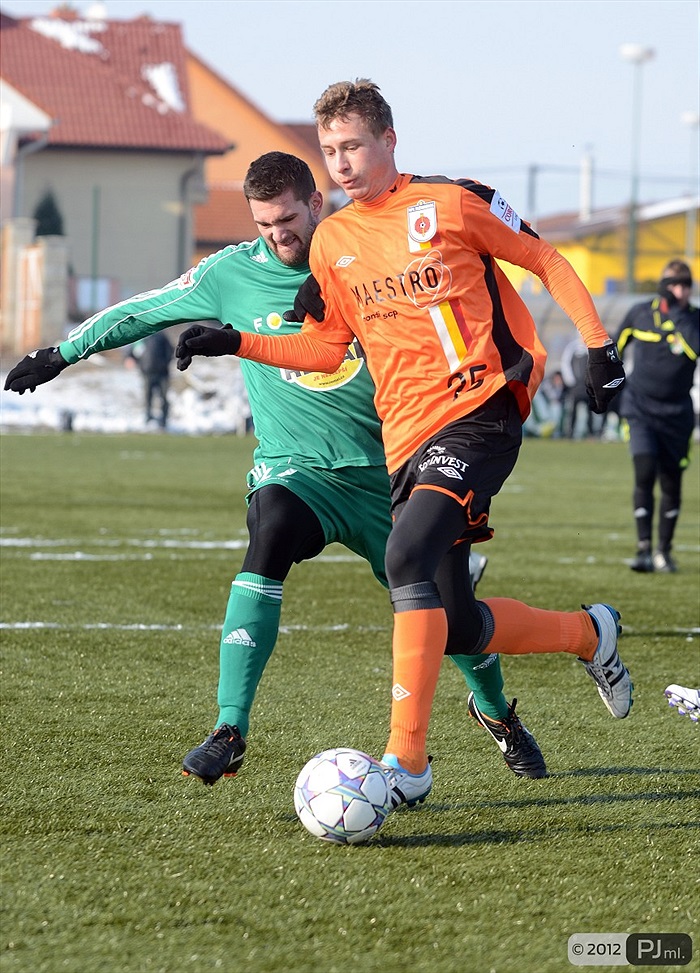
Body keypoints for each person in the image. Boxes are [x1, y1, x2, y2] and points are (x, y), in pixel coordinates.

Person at [3, 151, 547, 785]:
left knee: (450, 615)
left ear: (316, 204)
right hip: (299, 472)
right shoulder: (230, 273)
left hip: (389, 473)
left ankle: (497, 712)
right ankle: (229, 729)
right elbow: (144, 310)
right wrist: (61, 353)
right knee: (269, 530)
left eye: (287, 220)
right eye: (264, 224)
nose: (277, 235)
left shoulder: (367, 253)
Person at [174, 80, 633, 810]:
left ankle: (407, 762)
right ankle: (589, 633)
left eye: (353, 146)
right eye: (330, 150)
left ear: (389, 140)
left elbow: (545, 260)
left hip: (481, 410)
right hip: (405, 439)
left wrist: (599, 346)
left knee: (405, 558)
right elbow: (325, 350)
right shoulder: (334, 243)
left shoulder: (452, 202)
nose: (342, 163)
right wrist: (237, 341)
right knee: (458, 624)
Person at [613, 260, 699, 573]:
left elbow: (695, 348)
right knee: (645, 469)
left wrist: (676, 313)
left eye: (686, 284)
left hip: (677, 414)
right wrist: (608, 389)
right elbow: (614, 347)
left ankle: (664, 551)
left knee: (671, 481)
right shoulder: (639, 313)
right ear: (663, 286)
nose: (681, 290)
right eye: (674, 284)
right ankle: (644, 549)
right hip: (640, 409)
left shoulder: (694, 318)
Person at [126, 330, 173, 428]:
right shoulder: (140, 338)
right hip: (147, 373)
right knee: (147, 397)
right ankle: (148, 419)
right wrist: (129, 359)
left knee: (163, 397)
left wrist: (164, 364)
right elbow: (131, 353)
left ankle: (163, 421)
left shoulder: (161, 336)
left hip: (162, 373)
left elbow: (170, 351)